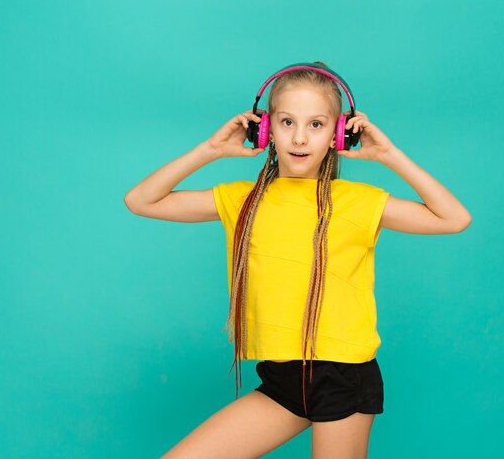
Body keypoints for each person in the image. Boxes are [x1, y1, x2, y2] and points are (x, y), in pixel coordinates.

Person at [124, 61, 471, 458]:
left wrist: (389, 155)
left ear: (340, 133)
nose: (300, 138)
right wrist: (211, 150)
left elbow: (454, 218)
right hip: (283, 378)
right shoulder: (242, 200)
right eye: (287, 122)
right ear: (265, 127)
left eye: (317, 125)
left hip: (341, 374)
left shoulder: (357, 201)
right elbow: (141, 200)